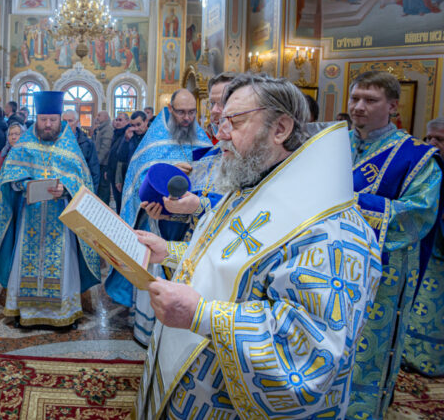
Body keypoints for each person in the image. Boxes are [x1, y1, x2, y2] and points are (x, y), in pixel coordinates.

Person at [133, 73, 382, 419]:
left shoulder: (331, 229)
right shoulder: (249, 184)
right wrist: (169, 251)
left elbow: (310, 351)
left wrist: (203, 315)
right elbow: (224, 260)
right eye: (219, 121)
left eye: (233, 122)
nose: (220, 134)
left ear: (280, 129)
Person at [346, 71, 443, 419]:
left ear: (392, 106)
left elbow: (418, 215)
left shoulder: (416, 157)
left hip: (382, 273)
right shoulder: (334, 144)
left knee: (366, 346)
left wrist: (349, 204)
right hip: (327, 263)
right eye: (355, 97)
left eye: (370, 100)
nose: (358, 106)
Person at [0, 91, 101, 328]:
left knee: (63, 266)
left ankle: (62, 315)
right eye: (43, 119)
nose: (47, 125)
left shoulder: (71, 148)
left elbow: (84, 182)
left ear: (60, 120)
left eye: (52, 120)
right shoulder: (24, 145)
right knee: (25, 265)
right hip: (29, 219)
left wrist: (67, 188)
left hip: (61, 222)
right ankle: (25, 312)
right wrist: (23, 184)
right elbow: (9, 177)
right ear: (36, 119)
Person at [105, 92, 212, 345]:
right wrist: (167, 173)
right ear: (170, 110)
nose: (186, 118)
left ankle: (181, 328)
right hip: (156, 220)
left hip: (189, 224)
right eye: (181, 112)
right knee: (154, 267)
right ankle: (148, 329)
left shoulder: (203, 139)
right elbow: (138, 175)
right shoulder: (155, 138)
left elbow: (214, 176)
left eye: (191, 112)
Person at [404, 117, 444, 377]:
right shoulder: (426, 168)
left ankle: (432, 361)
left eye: (439, 139)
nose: (432, 144)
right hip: (427, 248)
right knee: (420, 305)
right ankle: (412, 355)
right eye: (428, 138)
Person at [0, 122, 25, 207]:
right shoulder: (3, 153)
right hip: (5, 195)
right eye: (10, 134)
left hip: (22, 197)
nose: (13, 137)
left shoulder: (27, 154)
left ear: (23, 135)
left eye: (17, 134)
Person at [64, 109, 100, 190]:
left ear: (77, 123)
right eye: (64, 121)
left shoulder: (87, 143)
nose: (67, 124)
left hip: (81, 187)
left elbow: (94, 170)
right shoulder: (55, 141)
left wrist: (92, 193)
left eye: (70, 121)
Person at [108, 112, 131, 212]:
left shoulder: (127, 134)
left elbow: (122, 158)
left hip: (121, 176)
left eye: (120, 120)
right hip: (114, 173)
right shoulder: (117, 133)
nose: (117, 122)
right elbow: (112, 154)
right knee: (118, 202)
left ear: (127, 121)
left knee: (122, 203)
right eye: (116, 120)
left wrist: (119, 179)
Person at [92, 110, 114, 204]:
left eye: (99, 115)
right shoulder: (100, 128)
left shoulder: (108, 129)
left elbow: (105, 147)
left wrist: (97, 162)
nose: (97, 117)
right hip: (100, 162)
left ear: (105, 117)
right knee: (100, 188)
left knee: (103, 189)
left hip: (103, 163)